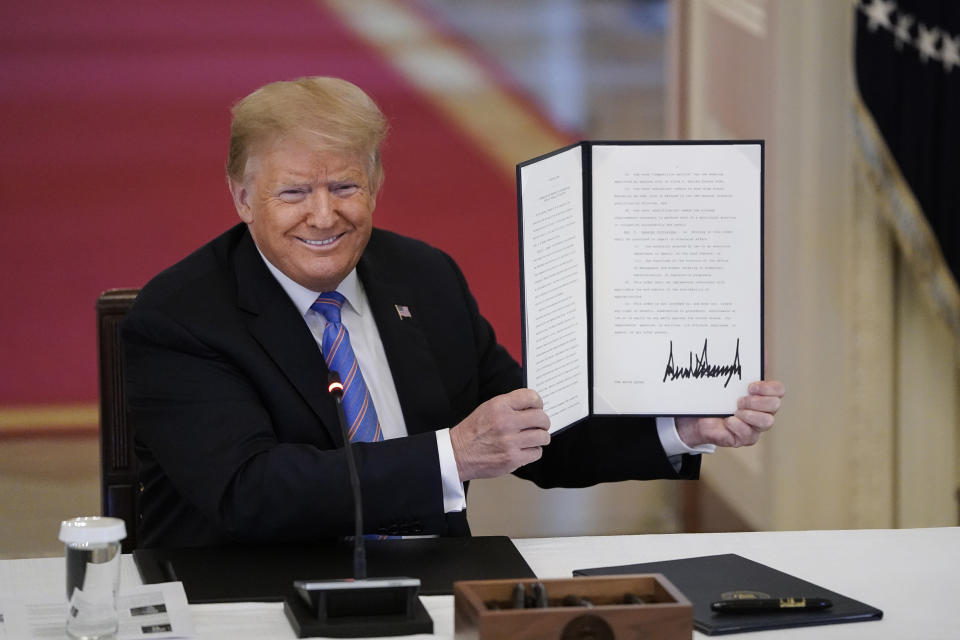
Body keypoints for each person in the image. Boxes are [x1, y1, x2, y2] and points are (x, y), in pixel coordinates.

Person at [122, 77, 785, 548]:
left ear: (376, 185)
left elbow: (536, 434)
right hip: (250, 596)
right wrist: (453, 454)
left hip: (436, 590)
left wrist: (681, 426)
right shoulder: (181, 317)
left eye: (345, 186)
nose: (324, 215)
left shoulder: (423, 276)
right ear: (242, 196)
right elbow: (250, 493)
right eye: (295, 192)